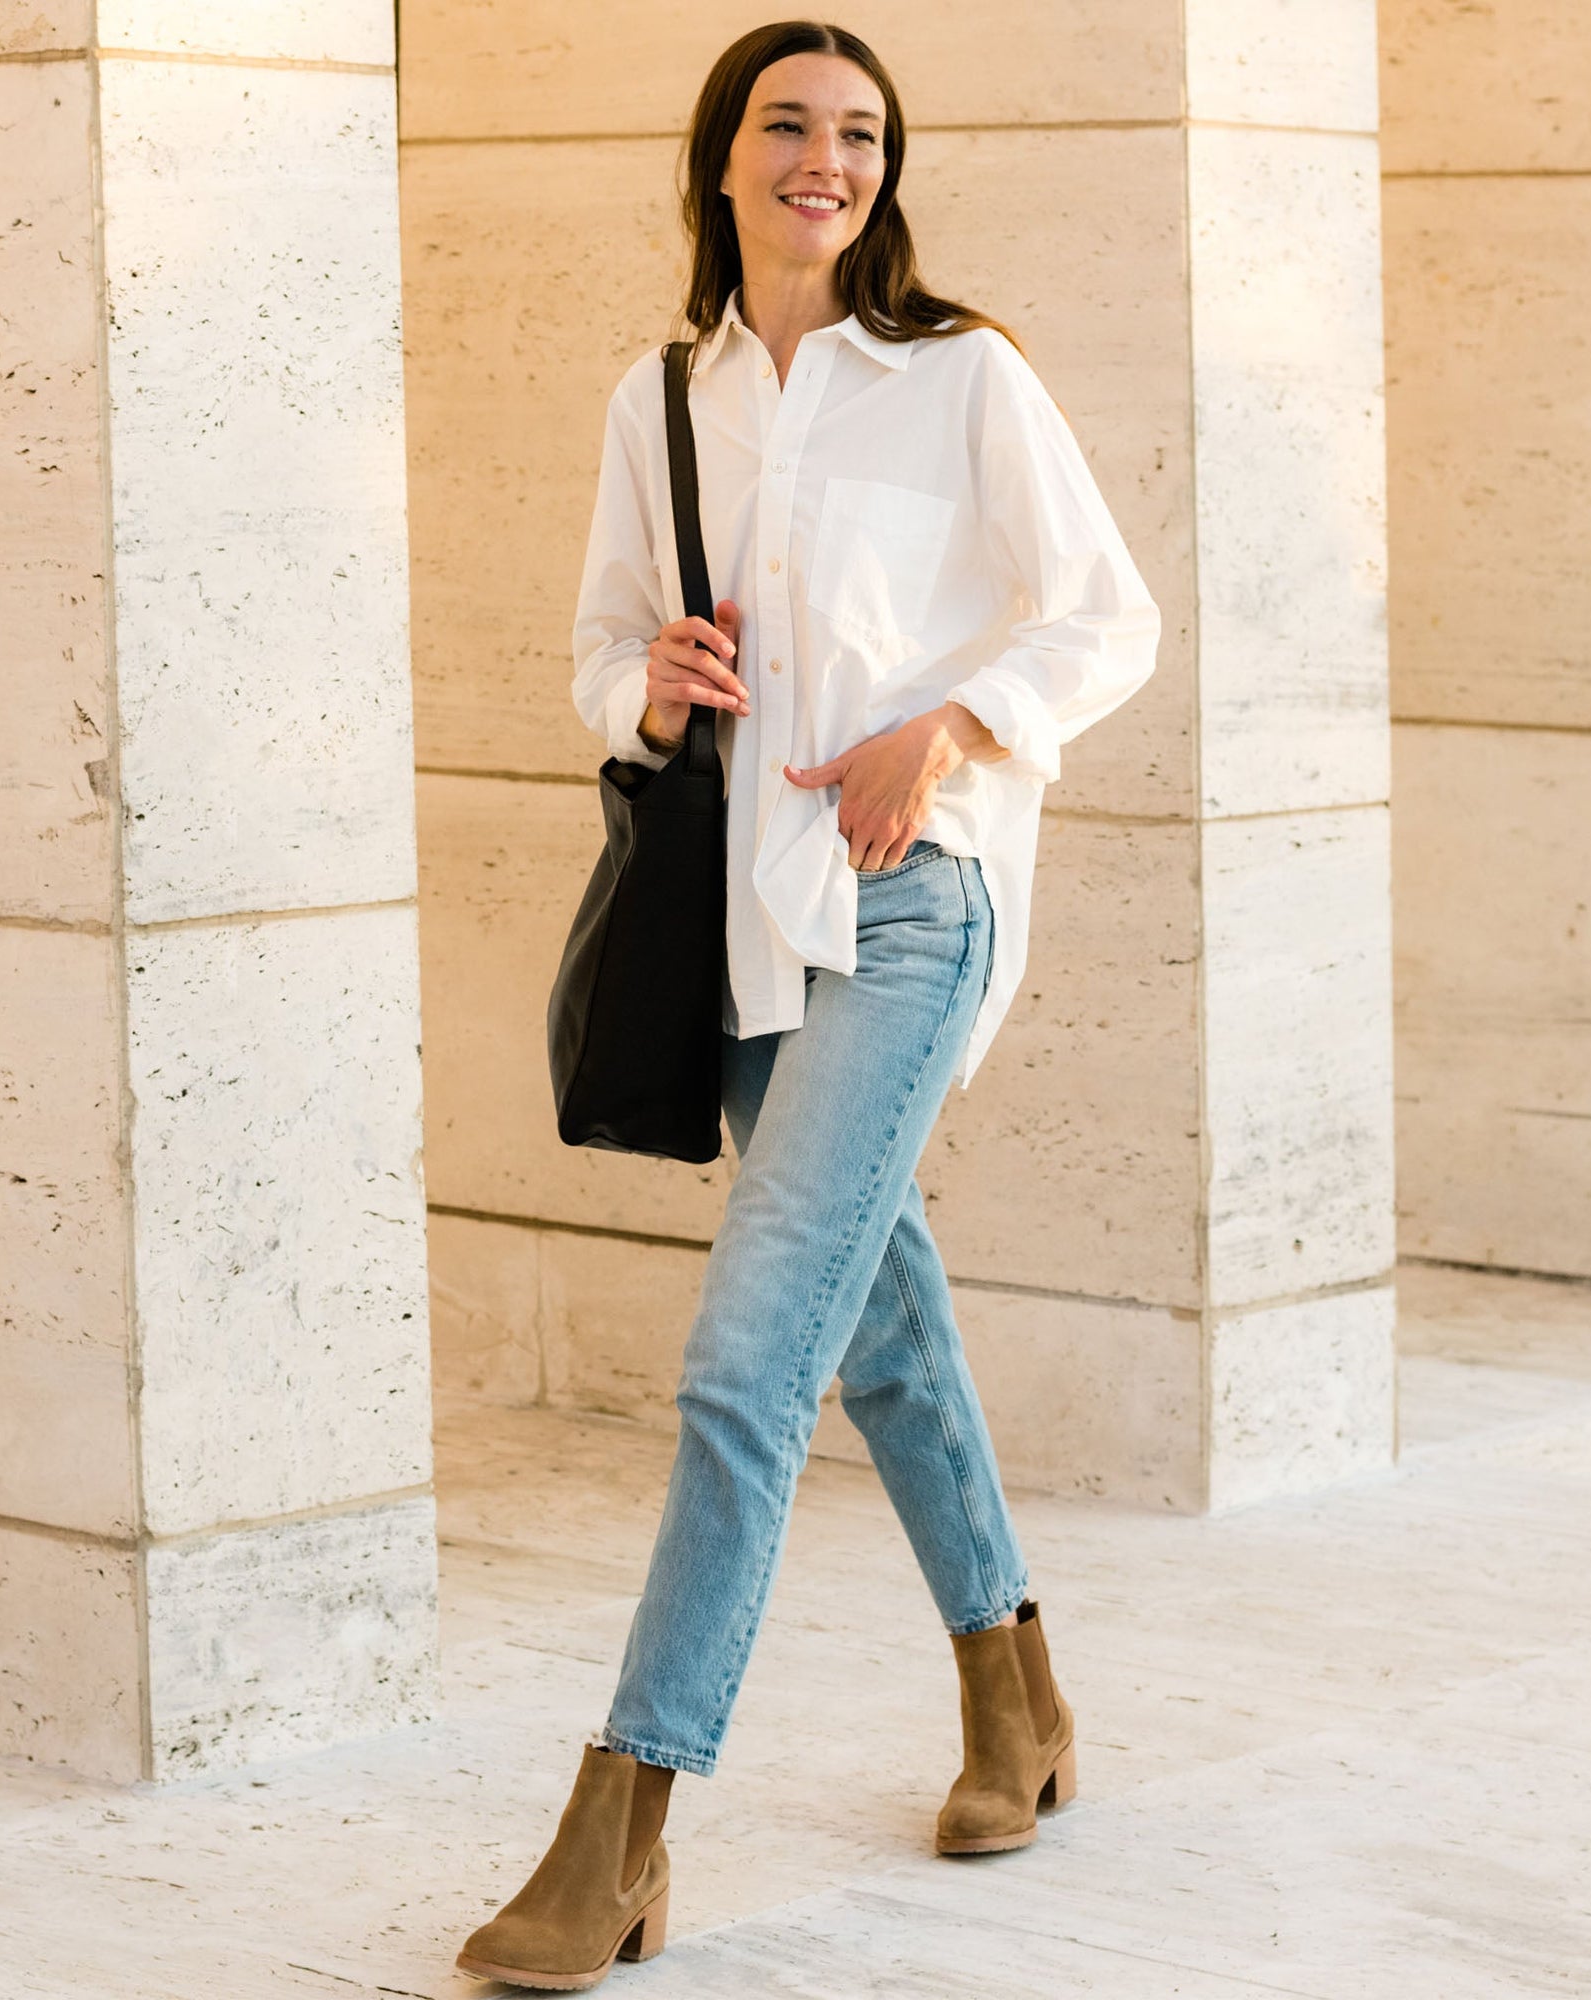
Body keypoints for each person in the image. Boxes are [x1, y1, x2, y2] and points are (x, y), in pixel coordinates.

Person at [456, 18, 1160, 1990]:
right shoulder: (661, 401)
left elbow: (1107, 615)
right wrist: (649, 687)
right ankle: (1018, 1698)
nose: (822, 160)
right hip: (747, 931)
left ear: (883, 170)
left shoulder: (961, 375)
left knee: (746, 1357)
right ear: (724, 156)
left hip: (913, 903)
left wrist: (950, 724)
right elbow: (601, 652)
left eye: (858, 133)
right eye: (787, 125)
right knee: (883, 1336)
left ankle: (620, 1827)